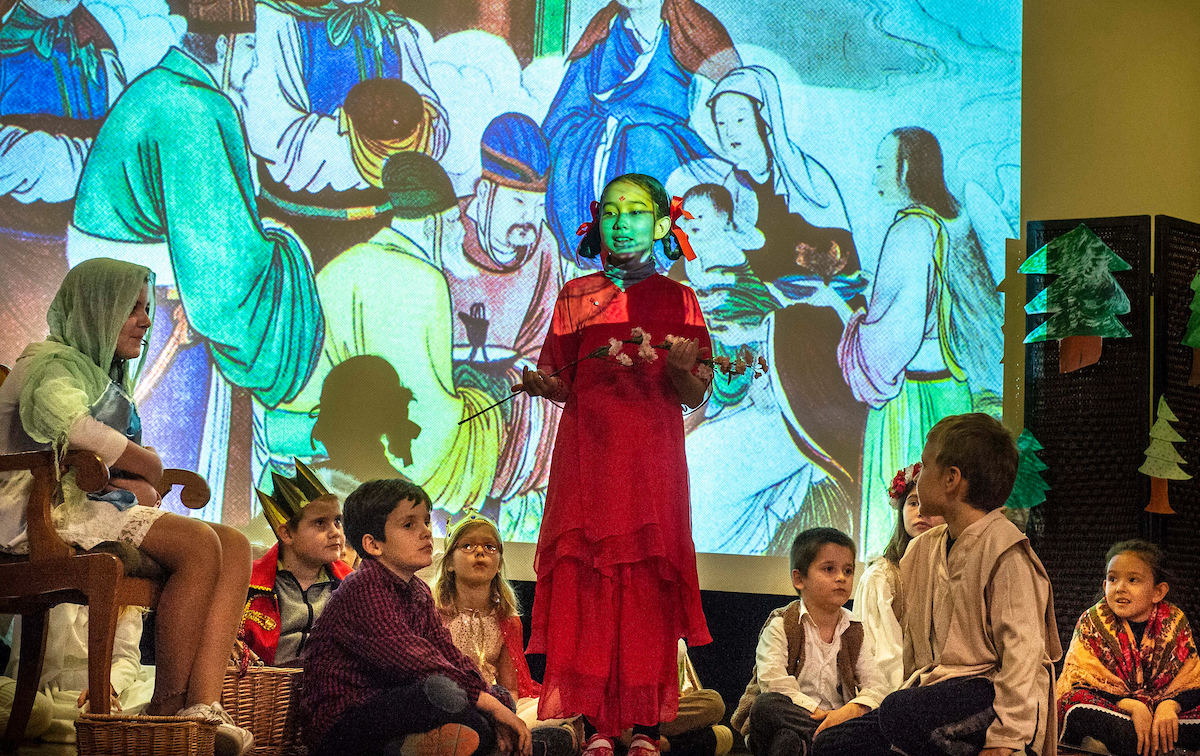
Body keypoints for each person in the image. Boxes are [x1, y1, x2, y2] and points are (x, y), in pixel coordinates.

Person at [67, 31, 324, 524]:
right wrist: (287, 250)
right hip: (167, 317)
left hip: (132, 314)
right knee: (183, 513)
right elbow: (224, 280)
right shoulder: (194, 107)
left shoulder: (153, 88)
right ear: (226, 45)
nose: (251, 67)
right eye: (249, 50)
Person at [0, 259, 254, 755]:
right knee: (199, 546)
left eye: (146, 308)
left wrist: (135, 481)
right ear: (96, 308)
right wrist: (148, 466)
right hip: (33, 514)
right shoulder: (50, 364)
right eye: (131, 308)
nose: (145, 320)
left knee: (235, 544)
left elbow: (98, 463)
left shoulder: (96, 373)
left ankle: (203, 706)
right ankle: (166, 712)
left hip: (72, 503)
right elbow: (73, 431)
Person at [512, 173, 713, 756]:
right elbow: (562, 381)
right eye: (611, 212)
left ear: (661, 223)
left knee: (646, 585)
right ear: (598, 221)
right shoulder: (575, 295)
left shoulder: (680, 299)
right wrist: (542, 385)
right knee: (590, 581)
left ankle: (645, 725)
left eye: (636, 211)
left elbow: (696, 392)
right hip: (589, 461)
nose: (621, 222)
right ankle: (596, 723)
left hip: (650, 466)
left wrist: (680, 369)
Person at [263, 152, 501, 531]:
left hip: (305, 462)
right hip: (333, 475)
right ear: (434, 225)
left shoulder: (346, 263)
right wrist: (486, 410)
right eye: (456, 220)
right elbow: (422, 427)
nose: (462, 231)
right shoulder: (420, 280)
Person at [811, 413, 1061, 756]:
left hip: (990, 693)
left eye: (926, 465)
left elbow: (1023, 658)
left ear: (951, 479)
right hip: (937, 691)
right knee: (833, 744)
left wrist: (1006, 738)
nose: (918, 476)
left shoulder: (1006, 552)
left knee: (900, 711)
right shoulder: (924, 549)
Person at [693, 65, 867, 541]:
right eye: (721, 123)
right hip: (751, 361)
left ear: (765, 120)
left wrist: (763, 322)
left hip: (812, 368)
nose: (729, 132)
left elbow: (843, 290)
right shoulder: (729, 193)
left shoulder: (810, 185)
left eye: (740, 120)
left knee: (706, 468)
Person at [837, 127, 1004, 557]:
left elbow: (898, 331)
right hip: (952, 389)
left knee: (900, 531)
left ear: (907, 168)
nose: (875, 176)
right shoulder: (949, 219)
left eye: (882, 165)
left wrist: (855, 329)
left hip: (914, 399)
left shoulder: (911, 228)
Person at [300, 478, 531, 756]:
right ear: (373, 544)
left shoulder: (418, 590)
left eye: (426, 521)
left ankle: (469, 743)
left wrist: (495, 703)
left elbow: (449, 654)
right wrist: (492, 707)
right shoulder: (363, 587)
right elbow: (416, 661)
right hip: (344, 725)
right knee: (441, 691)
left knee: (495, 700)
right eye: (409, 525)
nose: (426, 532)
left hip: (395, 708)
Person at [541, 0, 740, 262]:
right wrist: (598, 132)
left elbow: (733, 100)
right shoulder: (604, 33)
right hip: (599, 148)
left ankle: (660, 260)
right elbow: (564, 114)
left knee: (645, 144)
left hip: (671, 150)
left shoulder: (694, 30)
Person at [443, 112, 563, 542]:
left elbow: (542, 346)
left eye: (537, 206)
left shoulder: (543, 248)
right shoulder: (444, 230)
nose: (530, 219)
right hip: (439, 388)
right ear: (485, 192)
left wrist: (514, 382)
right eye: (518, 202)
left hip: (507, 399)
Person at [432, 510, 580, 756]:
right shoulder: (435, 614)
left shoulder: (507, 619)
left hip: (501, 701)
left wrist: (505, 715)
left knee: (565, 702)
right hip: (459, 702)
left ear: (499, 563)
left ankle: (509, 740)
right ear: (449, 563)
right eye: (467, 546)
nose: (480, 552)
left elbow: (511, 688)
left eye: (490, 547)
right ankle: (524, 742)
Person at [729, 528, 887, 756]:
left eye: (848, 570)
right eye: (829, 569)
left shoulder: (854, 629)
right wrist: (821, 716)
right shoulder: (782, 624)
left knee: (887, 711)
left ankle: (809, 744)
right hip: (793, 715)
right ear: (799, 579)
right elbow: (774, 683)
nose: (841, 577)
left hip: (835, 719)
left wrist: (850, 711)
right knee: (766, 705)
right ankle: (826, 739)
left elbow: (876, 686)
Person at [1057, 540, 1200, 756]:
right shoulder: (1092, 621)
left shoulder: (1175, 620)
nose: (1120, 588)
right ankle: (1163, 747)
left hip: (1165, 716)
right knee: (1075, 708)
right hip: (1116, 711)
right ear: (1104, 585)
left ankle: (1138, 742)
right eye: (1113, 579)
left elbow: (1192, 683)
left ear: (1158, 592)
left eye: (1133, 580)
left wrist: (1170, 705)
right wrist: (1133, 706)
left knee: (1170, 725)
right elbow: (1080, 684)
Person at [241, 459, 352, 667]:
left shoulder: (352, 584)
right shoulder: (247, 583)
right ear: (287, 533)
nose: (335, 532)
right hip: (264, 684)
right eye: (320, 523)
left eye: (337, 521)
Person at [849, 462, 944, 691]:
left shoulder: (953, 573)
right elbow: (878, 660)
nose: (921, 512)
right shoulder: (882, 578)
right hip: (895, 695)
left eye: (932, 504)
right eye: (913, 503)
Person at [1, 605, 153, 743]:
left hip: (102, 682)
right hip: (49, 683)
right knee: (41, 710)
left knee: (150, 698)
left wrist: (106, 687)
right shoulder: (44, 586)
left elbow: (127, 658)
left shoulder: (125, 601)